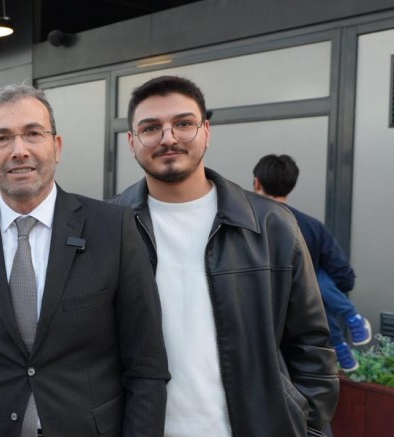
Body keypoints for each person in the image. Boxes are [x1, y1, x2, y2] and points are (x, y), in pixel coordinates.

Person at [0, 85, 169, 436]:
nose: (19, 150)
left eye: (33, 134)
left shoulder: (113, 229)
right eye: (2, 138)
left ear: (56, 147)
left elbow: (146, 366)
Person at [113, 76, 337, 436]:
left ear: (206, 131)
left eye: (183, 124)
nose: (168, 138)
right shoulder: (108, 227)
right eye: (151, 128)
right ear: (131, 141)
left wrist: (304, 426)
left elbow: (311, 343)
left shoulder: (271, 225)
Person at [252, 153, 371, 371]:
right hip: (305, 336)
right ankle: (347, 330)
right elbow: (345, 279)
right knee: (317, 278)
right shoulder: (312, 227)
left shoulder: (243, 227)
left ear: (256, 183)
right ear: (291, 185)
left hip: (256, 330)